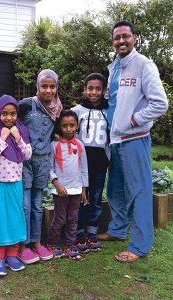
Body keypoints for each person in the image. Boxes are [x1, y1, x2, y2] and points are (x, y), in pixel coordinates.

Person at [97, 20, 168, 261]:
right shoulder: (114, 67)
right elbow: (112, 100)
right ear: (113, 41)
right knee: (115, 189)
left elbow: (160, 103)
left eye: (126, 36)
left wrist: (135, 120)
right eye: (117, 38)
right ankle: (117, 230)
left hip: (134, 138)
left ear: (134, 38)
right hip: (115, 140)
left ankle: (140, 245)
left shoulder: (144, 65)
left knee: (138, 191)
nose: (121, 41)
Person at [17, 69, 63, 264]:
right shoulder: (27, 105)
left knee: (37, 205)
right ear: (37, 87)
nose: (48, 90)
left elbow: (58, 130)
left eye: (52, 86)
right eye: (44, 86)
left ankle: (36, 242)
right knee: (25, 205)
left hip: (43, 161)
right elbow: (10, 121)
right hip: (25, 160)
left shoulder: (57, 108)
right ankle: (22, 245)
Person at [0, 95, 32, 276]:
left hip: (15, 182)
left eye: (13, 114)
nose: (9, 117)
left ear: (17, 115)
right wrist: (2, 139)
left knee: (15, 219)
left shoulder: (21, 130)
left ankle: (11, 256)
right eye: (4, 113)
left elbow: (28, 155)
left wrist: (18, 139)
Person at [72, 73, 110, 253]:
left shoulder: (109, 110)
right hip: (81, 164)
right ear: (85, 89)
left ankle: (92, 233)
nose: (94, 92)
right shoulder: (77, 111)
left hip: (100, 164)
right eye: (90, 88)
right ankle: (78, 233)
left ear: (103, 91)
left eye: (98, 89)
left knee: (95, 199)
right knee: (81, 199)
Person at [47, 110, 88, 260]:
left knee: (73, 218)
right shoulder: (54, 145)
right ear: (59, 126)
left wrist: (83, 188)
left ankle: (70, 245)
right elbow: (50, 168)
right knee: (60, 218)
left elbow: (84, 169)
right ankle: (53, 243)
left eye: (72, 125)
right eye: (65, 126)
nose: (69, 129)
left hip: (76, 189)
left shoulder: (80, 145)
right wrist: (56, 183)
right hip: (60, 190)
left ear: (77, 126)